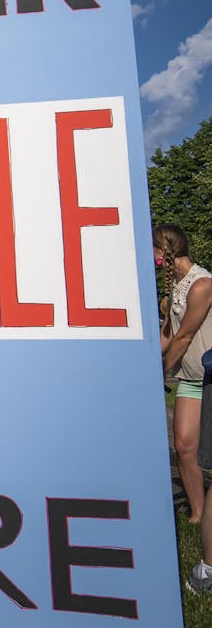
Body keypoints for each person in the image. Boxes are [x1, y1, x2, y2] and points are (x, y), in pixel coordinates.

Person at [157, 224, 212, 523]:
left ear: (164, 250)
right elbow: (168, 333)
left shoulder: (202, 284)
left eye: (153, 249)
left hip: (209, 377)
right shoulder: (175, 286)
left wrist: (160, 371)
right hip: (190, 379)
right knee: (183, 447)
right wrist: (144, 362)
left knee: (207, 451)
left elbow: (185, 337)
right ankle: (199, 514)